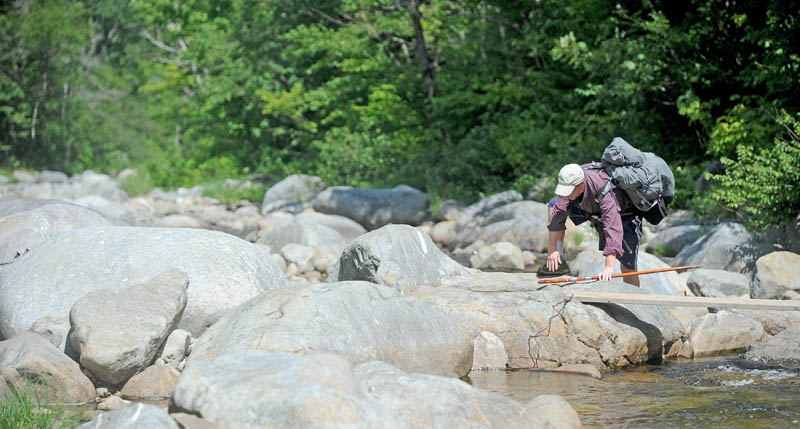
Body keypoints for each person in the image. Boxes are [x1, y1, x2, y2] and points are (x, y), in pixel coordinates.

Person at [537, 163, 642, 286]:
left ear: (581, 185)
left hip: (624, 215)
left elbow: (612, 228)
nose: (566, 194)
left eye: (569, 191)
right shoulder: (569, 183)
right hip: (589, 206)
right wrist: (552, 250)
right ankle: (559, 262)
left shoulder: (603, 190)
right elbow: (558, 215)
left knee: (628, 267)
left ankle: (633, 300)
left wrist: (608, 266)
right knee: (553, 205)